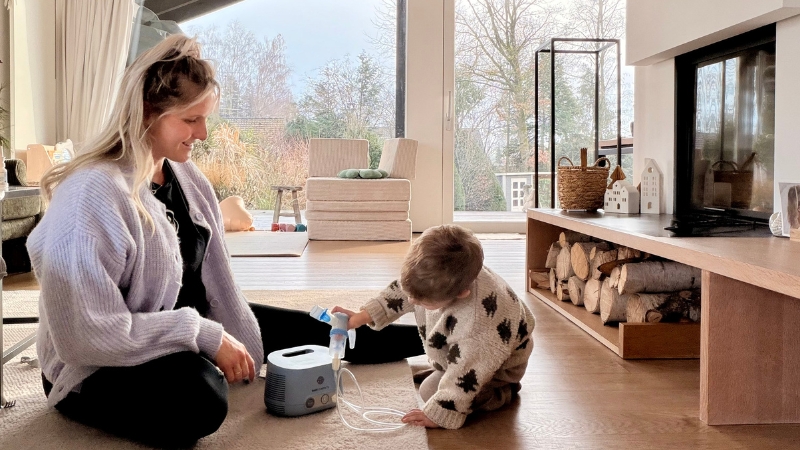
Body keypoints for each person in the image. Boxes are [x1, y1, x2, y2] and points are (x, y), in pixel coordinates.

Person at [27, 33, 424, 447]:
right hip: (98, 363)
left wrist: (237, 340)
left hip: (183, 326)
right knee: (201, 399)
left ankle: (437, 336)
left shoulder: (186, 177)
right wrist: (205, 336)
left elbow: (220, 287)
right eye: (190, 120)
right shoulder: (92, 194)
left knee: (323, 329)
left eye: (205, 118)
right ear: (148, 112)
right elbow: (86, 336)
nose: (202, 133)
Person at [334, 224, 535, 430]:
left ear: (460, 294)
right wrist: (362, 316)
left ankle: (500, 393)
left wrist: (440, 414)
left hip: (497, 366)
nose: (411, 300)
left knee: (430, 391)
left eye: (423, 302)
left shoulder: (477, 324)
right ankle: (442, 370)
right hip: (469, 352)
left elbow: (467, 371)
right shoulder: (439, 277)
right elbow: (402, 293)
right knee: (438, 379)